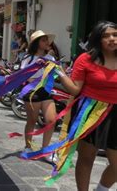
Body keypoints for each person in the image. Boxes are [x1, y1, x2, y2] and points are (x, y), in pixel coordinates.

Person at [52, 21, 116, 191]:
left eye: (115, 35)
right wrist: (58, 72)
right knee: (87, 159)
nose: (112, 39)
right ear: (98, 39)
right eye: (106, 36)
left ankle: (101, 189)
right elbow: (75, 88)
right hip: (90, 111)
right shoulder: (86, 59)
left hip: (116, 114)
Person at [20, 30, 58, 163]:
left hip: (46, 92)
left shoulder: (51, 58)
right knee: (32, 121)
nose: (47, 42)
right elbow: (24, 76)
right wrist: (38, 66)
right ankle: (28, 146)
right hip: (32, 93)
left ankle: (46, 150)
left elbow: (58, 74)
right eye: (43, 40)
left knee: (51, 120)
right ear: (36, 43)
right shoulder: (27, 58)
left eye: (47, 40)